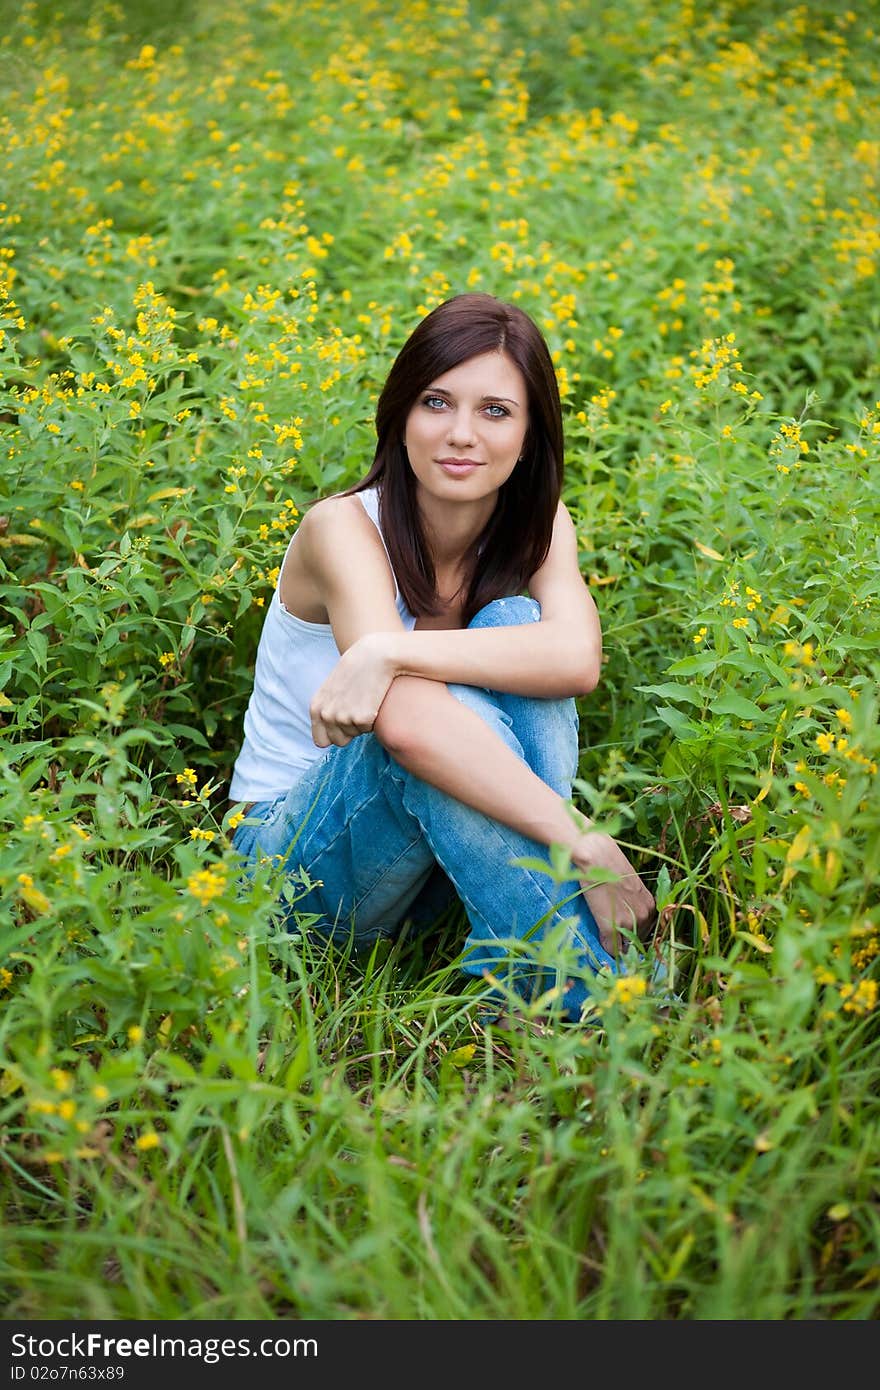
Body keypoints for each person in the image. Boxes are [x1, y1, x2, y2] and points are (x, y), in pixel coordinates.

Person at [228, 292, 656, 1023]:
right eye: (436, 402)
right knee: (435, 722)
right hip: (289, 873)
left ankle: (524, 956)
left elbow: (577, 659)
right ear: (400, 415)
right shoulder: (341, 530)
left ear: (530, 436)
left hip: (420, 873)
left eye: (495, 410)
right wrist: (588, 843)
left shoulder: (538, 522)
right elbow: (411, 730)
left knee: (518, 619)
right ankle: (587, 998)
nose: (462, 434)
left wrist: (390, 651)